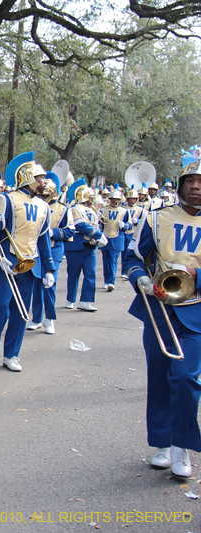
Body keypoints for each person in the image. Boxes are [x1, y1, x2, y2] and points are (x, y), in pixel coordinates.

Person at [122, 160, 201, 480]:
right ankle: (162, 444)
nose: (196, 187)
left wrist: (195, 274)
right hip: (159, 307)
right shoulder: (155, 218)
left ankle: (182, 445)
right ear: (180, 185)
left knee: (184, 379)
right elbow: (133, 258)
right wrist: (139, 279)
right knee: (159, 377)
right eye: (191, 181)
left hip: (196, 310)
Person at [0, 152, 55, 373]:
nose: (44, 181)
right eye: (40, 177)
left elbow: (43, 239)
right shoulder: (6, 199)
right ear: (29, 177)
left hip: (30, 265)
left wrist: (49, 268)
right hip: (6, 262)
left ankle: (12, 354)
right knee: (0, 307)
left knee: (21, 311)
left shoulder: (44, 206)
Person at [27, 175, 75, 335]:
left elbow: (70, 230)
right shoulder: (34, 205)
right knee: (36, 285)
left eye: (46, 195)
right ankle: (36, 318)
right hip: (35, 250)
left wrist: (52, 233)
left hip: (53, 250)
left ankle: (50, 319)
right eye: (41, 195)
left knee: (49, 285)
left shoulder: (64, 209)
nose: (43, 198)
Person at [64, 185, 106, 311]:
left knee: (90, 274)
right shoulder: (75, 209)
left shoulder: (92, 210)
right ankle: (70, 298)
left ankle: (85, 300)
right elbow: (81, 226)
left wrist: (98, 237)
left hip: (90, 246)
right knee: (73, 274)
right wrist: (99, 235)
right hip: (76, 246)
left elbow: (95, 225)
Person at [98, 189, 132, 291]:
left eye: (116, 199)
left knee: (113, 261)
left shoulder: (125, 211)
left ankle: (111, 282)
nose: (114, 201)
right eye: (112, 199)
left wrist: (124, 225)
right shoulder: (103, 210)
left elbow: (130, 225)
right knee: (105, 260)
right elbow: (99, 224)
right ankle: (106, 280)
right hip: (105, 237)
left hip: (117, 238)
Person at [122, 189, 145, 280]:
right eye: (130, 198)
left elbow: (143, 221)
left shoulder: (140, 210)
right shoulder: (123, 208)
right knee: (124, 252)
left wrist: (138, 221)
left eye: (133, 198)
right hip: (124, 232)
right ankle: (123, 271)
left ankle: (129, 270)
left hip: (134, 232)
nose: (131, 200)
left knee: (131, 252)